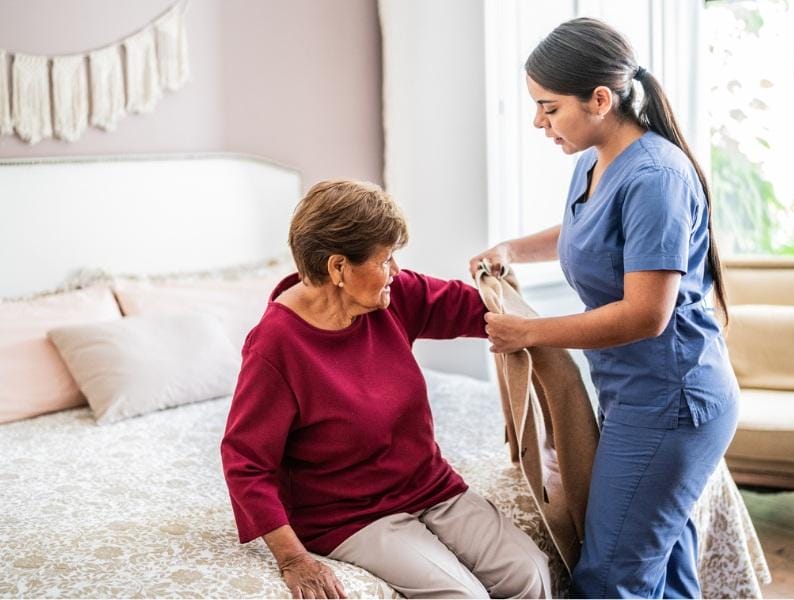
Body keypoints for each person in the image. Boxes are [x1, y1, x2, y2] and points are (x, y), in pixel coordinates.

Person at [469, 17, 740, 599]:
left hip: (673, 401)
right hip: (637, 394)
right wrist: (513, 248)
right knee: (663, 571)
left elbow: (647, 314)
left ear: (600, 99)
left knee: (611, 576)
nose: (538, 123)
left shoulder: (656, 177)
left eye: (548, 107)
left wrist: (529, 332)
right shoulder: (593, 161)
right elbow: (583, 230)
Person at [221, 180, 551, 600]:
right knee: (462, 596)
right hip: (347, 514)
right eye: (386, 258)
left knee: (530, 573)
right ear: (338, 268)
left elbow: (479, 311)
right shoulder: (276, 345)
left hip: (429, 484)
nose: (396, 269)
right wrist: (293, 559)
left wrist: (511, 296)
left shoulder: (392, 297)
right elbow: (245, 462)